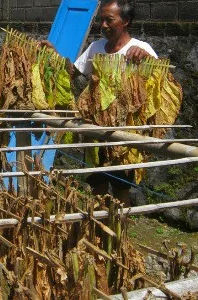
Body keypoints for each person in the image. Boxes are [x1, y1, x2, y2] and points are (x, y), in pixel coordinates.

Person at [43, 0, 159, 205]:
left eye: (109, 20)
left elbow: (160, 80)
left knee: (121, 187)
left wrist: (149, 60)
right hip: (95, 129)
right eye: (101, 20)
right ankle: (98, 228)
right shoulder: (95, 48)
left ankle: (116, 232)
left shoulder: (140, 48)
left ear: (126, 21)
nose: (103, 25)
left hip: (124, 132)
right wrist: (53, 55)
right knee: (97, 185)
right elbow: (72, 72)